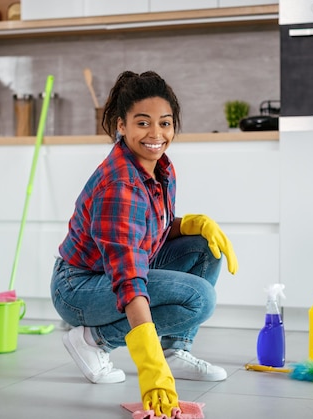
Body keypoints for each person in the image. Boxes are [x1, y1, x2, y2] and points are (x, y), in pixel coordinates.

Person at [51, 70, 238, 417]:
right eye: (142, 123)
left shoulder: (160, 168)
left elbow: (150, 231)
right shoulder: (119, 185)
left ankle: (175, 350)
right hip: (78, 286)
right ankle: (93, 340)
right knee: (198, 298)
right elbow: (128, 276)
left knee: (204, 246)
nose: (156, 134)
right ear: (121, 125)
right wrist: (150, 371)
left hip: (112, 273)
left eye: (164, 123)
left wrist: (189, 225)